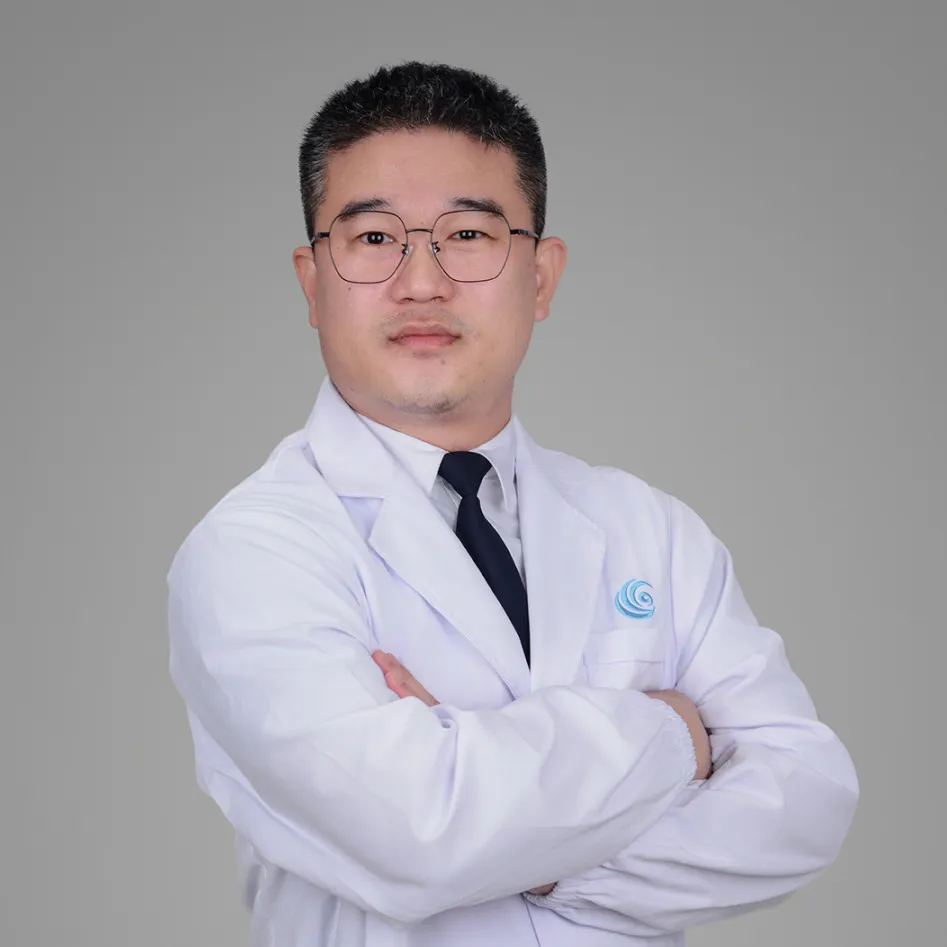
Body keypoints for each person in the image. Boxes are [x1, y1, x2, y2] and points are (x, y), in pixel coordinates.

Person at [167, 62, 859, 947]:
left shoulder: (650, 530)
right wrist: (674, 732)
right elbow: (419, 835)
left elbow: (806, 798)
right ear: (312, 281)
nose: (421, 281)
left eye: (467, 234)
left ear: (541, 277)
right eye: (373, 237)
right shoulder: (253, 552)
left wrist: (537, 851)